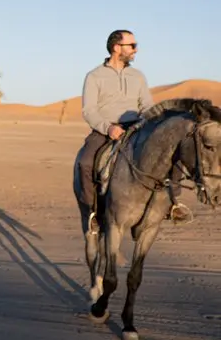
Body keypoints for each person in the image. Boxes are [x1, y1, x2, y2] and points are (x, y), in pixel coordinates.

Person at [77, 29, 192, 231]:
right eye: (132, 46)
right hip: (106, 130)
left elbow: (146, 105)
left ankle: (173, 204)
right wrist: (108, 127)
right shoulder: (95, 76)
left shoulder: (138, 76)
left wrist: (152, 122)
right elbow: (89, 110)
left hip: (138, 127)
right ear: (116, 48)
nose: (136, 50)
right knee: (85, 163)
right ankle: (92, 213)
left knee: (171, 154)